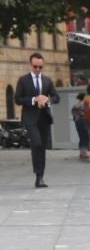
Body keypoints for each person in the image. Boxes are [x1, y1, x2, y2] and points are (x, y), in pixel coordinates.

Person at [15, 51, 60, 188]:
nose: (38, 69)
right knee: (37, 144)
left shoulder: (47, 80)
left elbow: (56, 97)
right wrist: (34, 99)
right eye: (35, 66)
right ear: (30, 65)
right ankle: (38, 173)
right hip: (30, 118)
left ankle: (40, 177)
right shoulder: (23, 80)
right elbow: (17, 99)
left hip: (44, 118)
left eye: (40, 67)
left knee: (42, 147)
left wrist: (47, 100)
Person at [72, 91, 90, 160]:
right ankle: (84, 153)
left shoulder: (76, 104)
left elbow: (72, 113)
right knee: (85, 137)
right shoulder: (85, 104)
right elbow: (88, 112)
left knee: (81, 137)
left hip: (77, 122)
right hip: (84, 121)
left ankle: (81, 152)